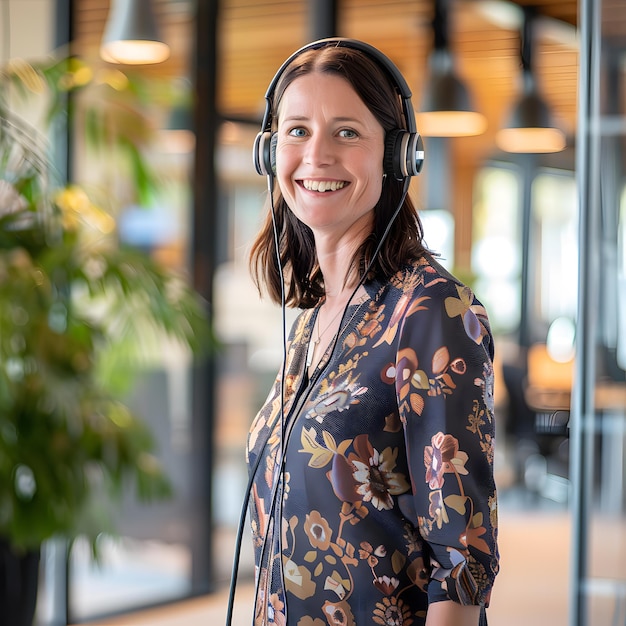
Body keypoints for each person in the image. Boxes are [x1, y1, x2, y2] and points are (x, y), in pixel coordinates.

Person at [246, 38, 499, 626]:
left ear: (396, 155)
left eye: (347, 132)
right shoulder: (314, 318)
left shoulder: (433, 310)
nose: (316, 156)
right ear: (269, 152)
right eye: (297, 130)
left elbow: (462, 563)